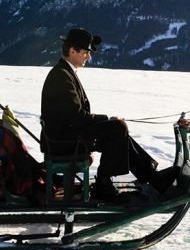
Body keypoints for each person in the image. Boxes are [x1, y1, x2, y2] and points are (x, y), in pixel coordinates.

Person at [41, 28, 179, 203]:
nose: (88, 57)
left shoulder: (64, 73)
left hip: (66, 135)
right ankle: (104, 186)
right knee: (117, 128)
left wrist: (106, 122)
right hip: (63, 141)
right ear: (72, 51)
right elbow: (76, 117)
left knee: (118, 131)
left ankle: (152, 176)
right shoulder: (61, 76)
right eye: (85, 52)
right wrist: (106, 120)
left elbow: (75, 117)